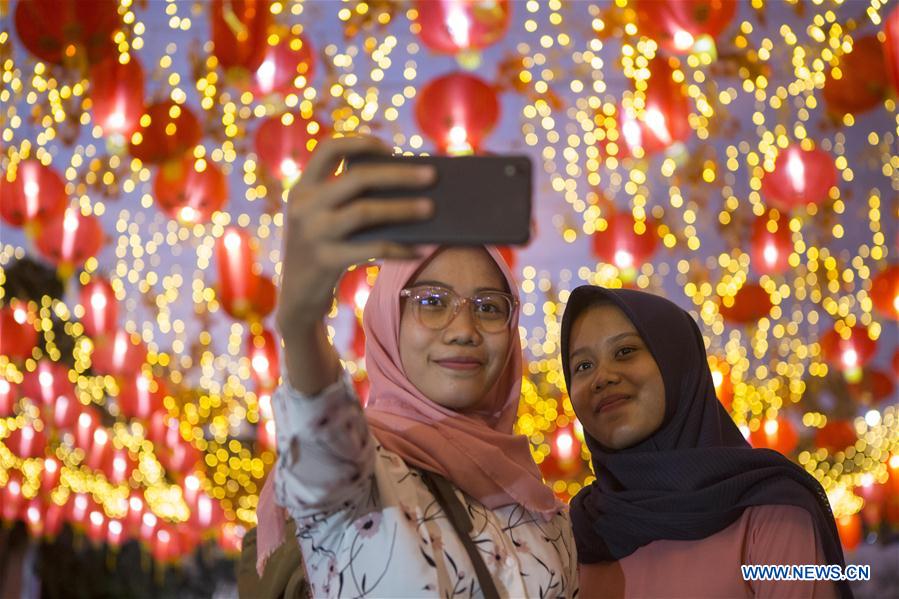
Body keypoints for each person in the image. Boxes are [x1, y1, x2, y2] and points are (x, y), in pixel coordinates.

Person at [254, 136, 577, 598]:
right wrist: (300, 324)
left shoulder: (545, 509)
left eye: (488, 307)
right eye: (431, 302)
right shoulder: (360, 473)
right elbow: (320, 424)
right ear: (389, 322)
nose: (463, 328)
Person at [559, 285, 848, 598]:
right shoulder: (574, 533)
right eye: (583, 366)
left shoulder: (771, 510)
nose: (603, 377)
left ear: (679, 364)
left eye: (625, 351)